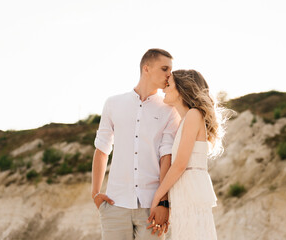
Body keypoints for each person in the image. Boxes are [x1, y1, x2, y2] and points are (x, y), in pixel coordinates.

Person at [91, 48, 180, 240]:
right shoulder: (113, 103)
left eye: (170, 70)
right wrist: (95, 193)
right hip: (115, 204)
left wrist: (163, 202)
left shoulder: (170, 110)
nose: (169, 75)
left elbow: (167, 156)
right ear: (146, 68)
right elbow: (102, 148)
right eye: (164, 69)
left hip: (152, 207)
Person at [148, 69, 224, 240]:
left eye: (168, 84)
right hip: (185, 192)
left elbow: (180, 164)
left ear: (182, 89)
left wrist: (157, 197)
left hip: (190, 191)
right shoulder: (185, 120)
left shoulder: (193, 115)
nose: (163, 89)